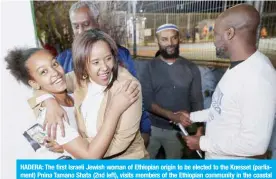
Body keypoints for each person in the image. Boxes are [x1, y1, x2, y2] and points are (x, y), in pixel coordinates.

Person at [29, 29, 149, 159]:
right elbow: (48, 84)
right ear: (83, 65)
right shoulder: (81, 77)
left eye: (108, 58)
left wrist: (71, 148)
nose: (105, 67)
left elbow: (119, 143)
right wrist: (49, 101)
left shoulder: (128, 87)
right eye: (96, 62)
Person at [5, 47, 140, 159]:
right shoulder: (53, 119)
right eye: (44, 72)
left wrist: (65, 147)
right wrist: (115, 110)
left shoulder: (75, 96)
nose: (55, 73)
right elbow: (90, 158)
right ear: (34, 83)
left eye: (54, 64)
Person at [48, 1, 151, 145]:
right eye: (75, 26)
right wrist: (49, 102)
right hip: (79, 142)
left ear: (98, 22)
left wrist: (145, 130)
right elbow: (45, 85)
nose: (80, 31)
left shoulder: (121, 56)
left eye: (85, 24)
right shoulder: (62, 60)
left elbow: (136, 95)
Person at [182, 4, 276, 159]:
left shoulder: (258, 78)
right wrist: (191, 117)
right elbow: (223, 110)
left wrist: (202, 143)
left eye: (216, 34)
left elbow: (254, 144)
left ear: (230, 33)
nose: (214, 41)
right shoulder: (239, 66)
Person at [140, 24, 204, 159]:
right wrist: (171, 116)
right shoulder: (149, 68)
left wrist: (199, 129)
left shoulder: (191, 68)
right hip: (152, 129)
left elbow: (197, 100)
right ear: (157, 41)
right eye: (164, 39)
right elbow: (147, 101)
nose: (170, 43)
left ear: (179, 39)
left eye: (173, 38)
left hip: (178, 132)